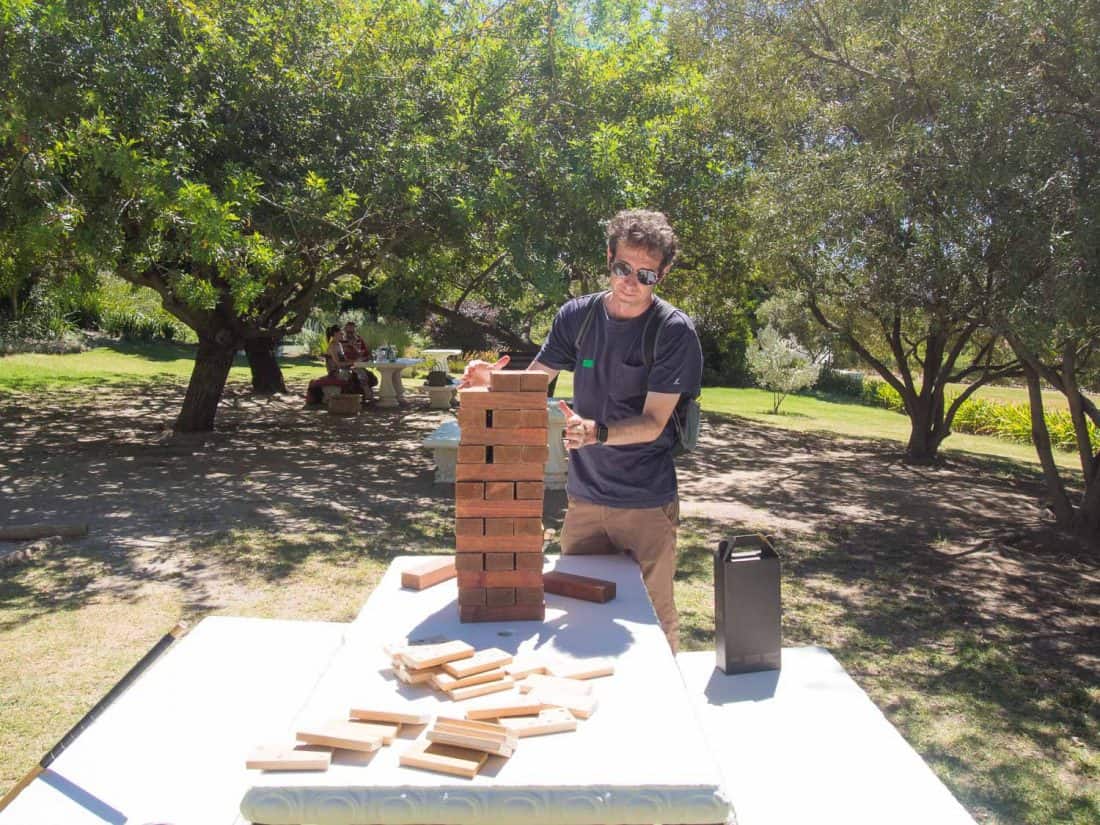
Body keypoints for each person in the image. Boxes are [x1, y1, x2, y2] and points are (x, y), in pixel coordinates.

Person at [460, 209, 703, 651]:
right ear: (609, 257)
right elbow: (535, 384)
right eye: (622, 268)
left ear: (663, 274)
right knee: (579, 607)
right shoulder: (578, 316)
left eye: (646, 274)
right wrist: (490, 384)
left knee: (653, 617)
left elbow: (653, 423)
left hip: (645, 504)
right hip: (585, 499)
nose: (631, 282)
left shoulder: (673, 332)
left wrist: (597, 433)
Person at [328, 320, 378, 402]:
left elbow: (346, 358)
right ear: (335, 334)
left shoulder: (339, 344)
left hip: (347, 366)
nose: (343, 335)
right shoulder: (333, 346)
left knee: (362, 372)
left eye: (352, 330)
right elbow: (338, 363)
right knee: (358, 372)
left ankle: (366, 395)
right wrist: (353, 362)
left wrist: (356, 359)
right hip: (337, 369)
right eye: (341, 333)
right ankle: (367, 395)